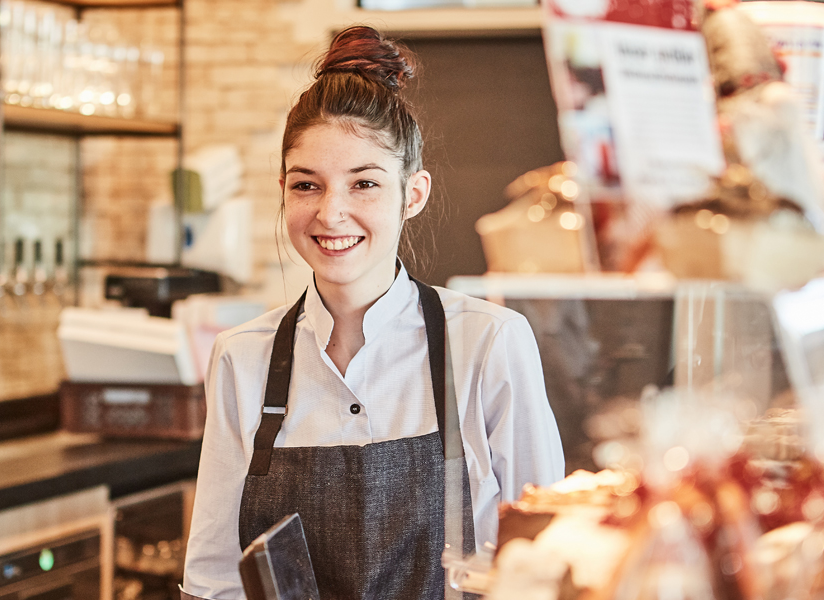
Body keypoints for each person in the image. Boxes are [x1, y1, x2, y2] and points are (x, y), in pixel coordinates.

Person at [180, 26, 565, 600]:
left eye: (364, 183)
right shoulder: (243, 358)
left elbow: (546, 562)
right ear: (284, 190)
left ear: (413, 194)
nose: (332, 214)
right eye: (308, 185)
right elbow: (214, 580)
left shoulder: (489, 343)